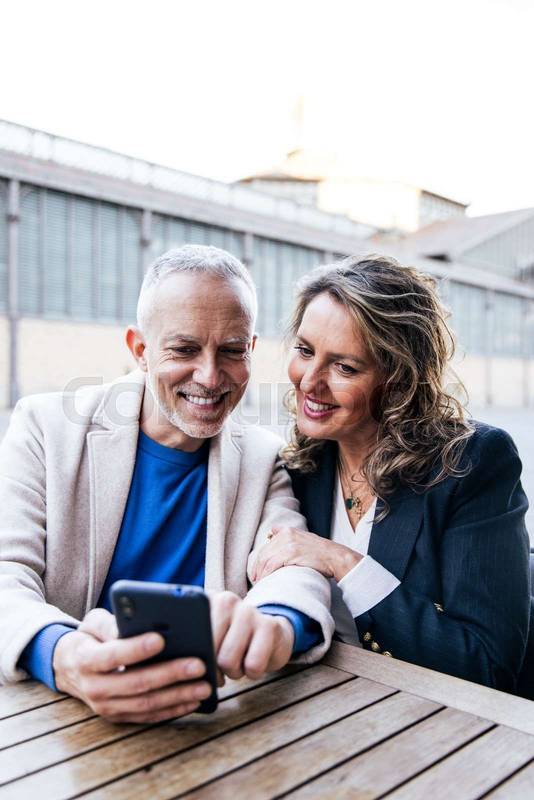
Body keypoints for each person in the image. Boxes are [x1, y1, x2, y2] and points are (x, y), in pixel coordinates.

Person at [0, 244, 332, 724]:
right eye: (184, 349)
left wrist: (278, 626)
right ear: (140, 350)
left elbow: (292, 569)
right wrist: (61, 655)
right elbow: (6, 574)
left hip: (210, 729)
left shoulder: (261, 459)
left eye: (232, 351)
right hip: (51, 720)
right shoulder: (46, 428)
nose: (210, 376)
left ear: (251, 351)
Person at [251, 254, 531, 694]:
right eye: (305, 351)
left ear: (399, 380)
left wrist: (343, 563)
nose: (309, 381)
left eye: (344, 367)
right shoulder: (300, 465)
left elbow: (487, 665)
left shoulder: (473, 463)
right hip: (322, 700)